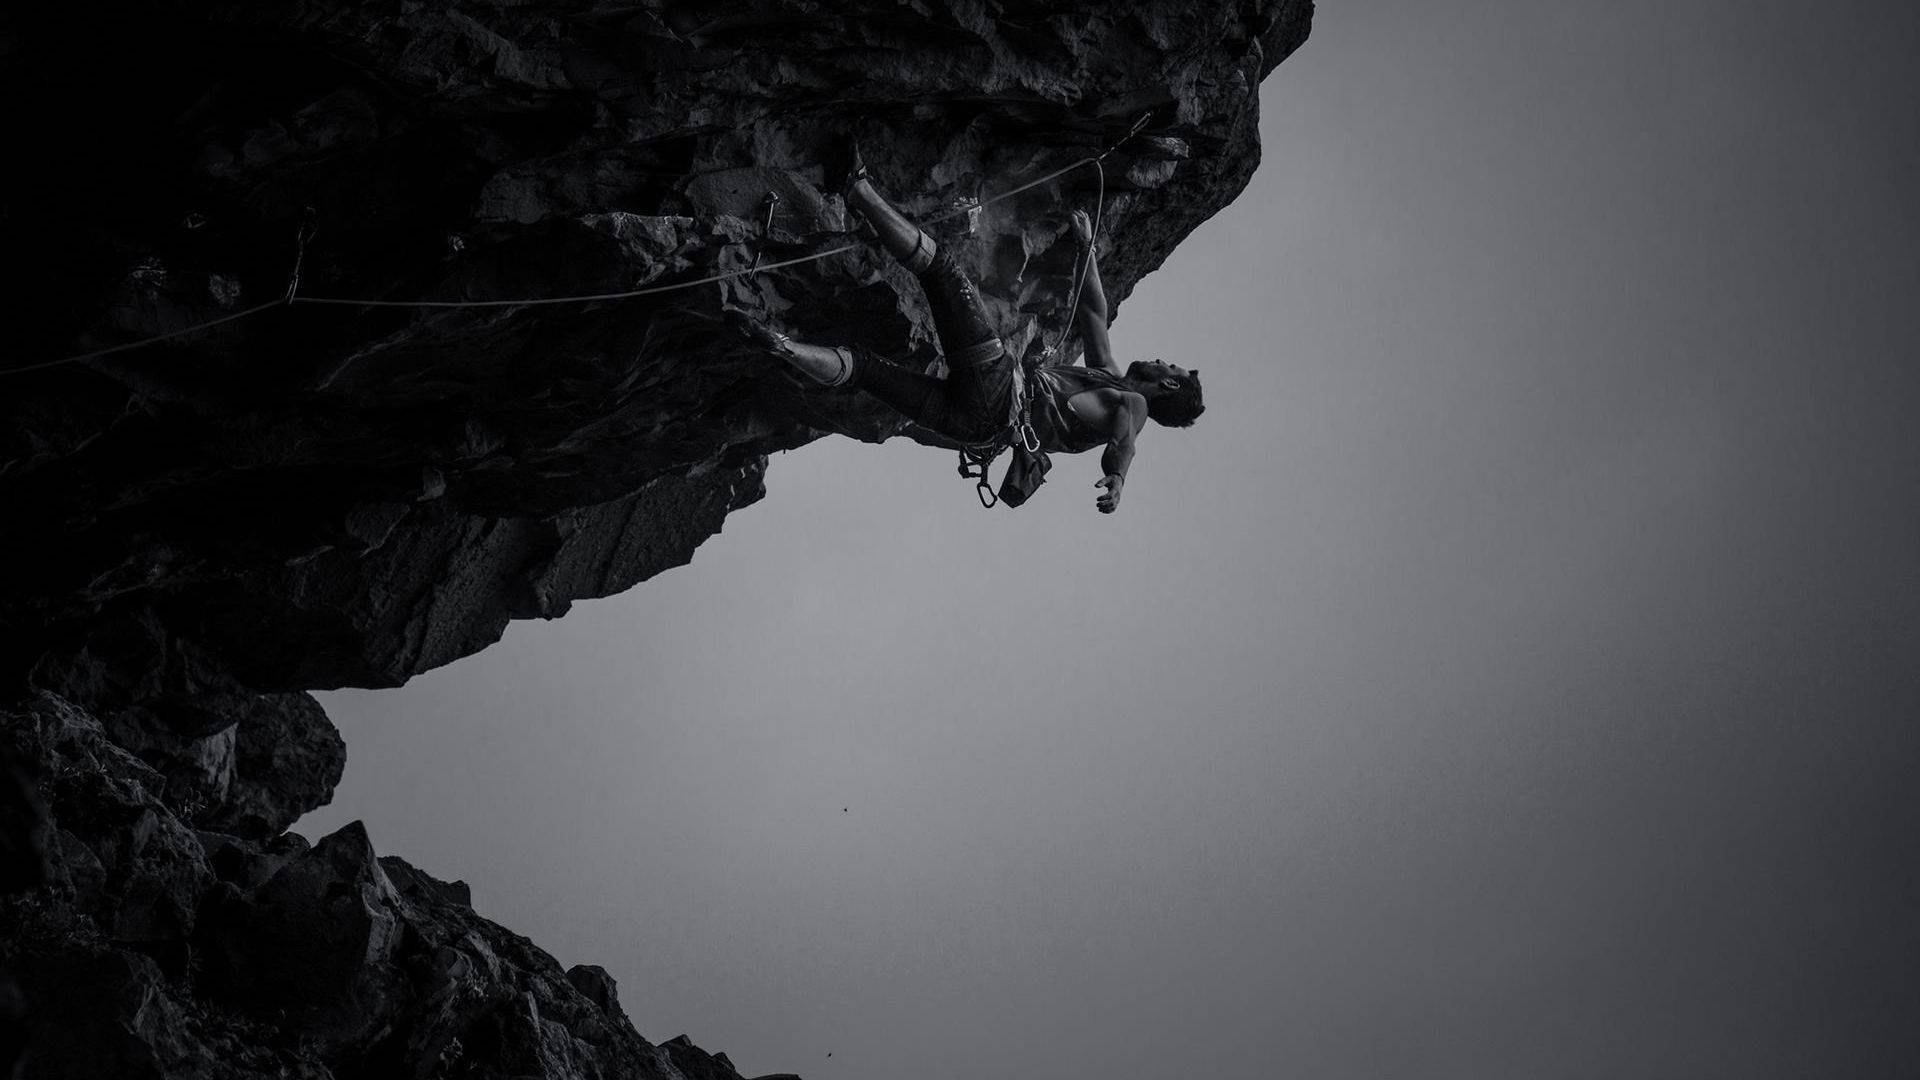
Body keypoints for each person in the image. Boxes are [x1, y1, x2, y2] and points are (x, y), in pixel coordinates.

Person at [741, 166, 1203, 514]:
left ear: (1170, 387)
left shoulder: (1133, 407)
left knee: (943, 271)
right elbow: (1094, 311)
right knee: (863, 370)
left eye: (1172, 368)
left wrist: (1119, 480)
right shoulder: (1106, 379)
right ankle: (782, 345)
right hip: (976, 430)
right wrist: (1085, 249)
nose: (1163, 361)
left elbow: (1125, 444)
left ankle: (858, 188)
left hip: (1001, 394)